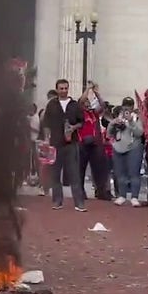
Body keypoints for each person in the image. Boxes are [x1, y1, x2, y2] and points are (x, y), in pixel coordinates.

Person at [40, 79, 86, 211]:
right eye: (61, 88)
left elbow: (81, 122)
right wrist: (47, 139)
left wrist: (73, 127)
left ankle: (79, 203)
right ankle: (57, 201)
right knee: (55, 173)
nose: (64, 91)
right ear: (57, 90)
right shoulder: (52, 105)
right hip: (55, 144)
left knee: (74, 174)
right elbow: (46, 123)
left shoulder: (74, 105)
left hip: (71, 143)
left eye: (66, 88)